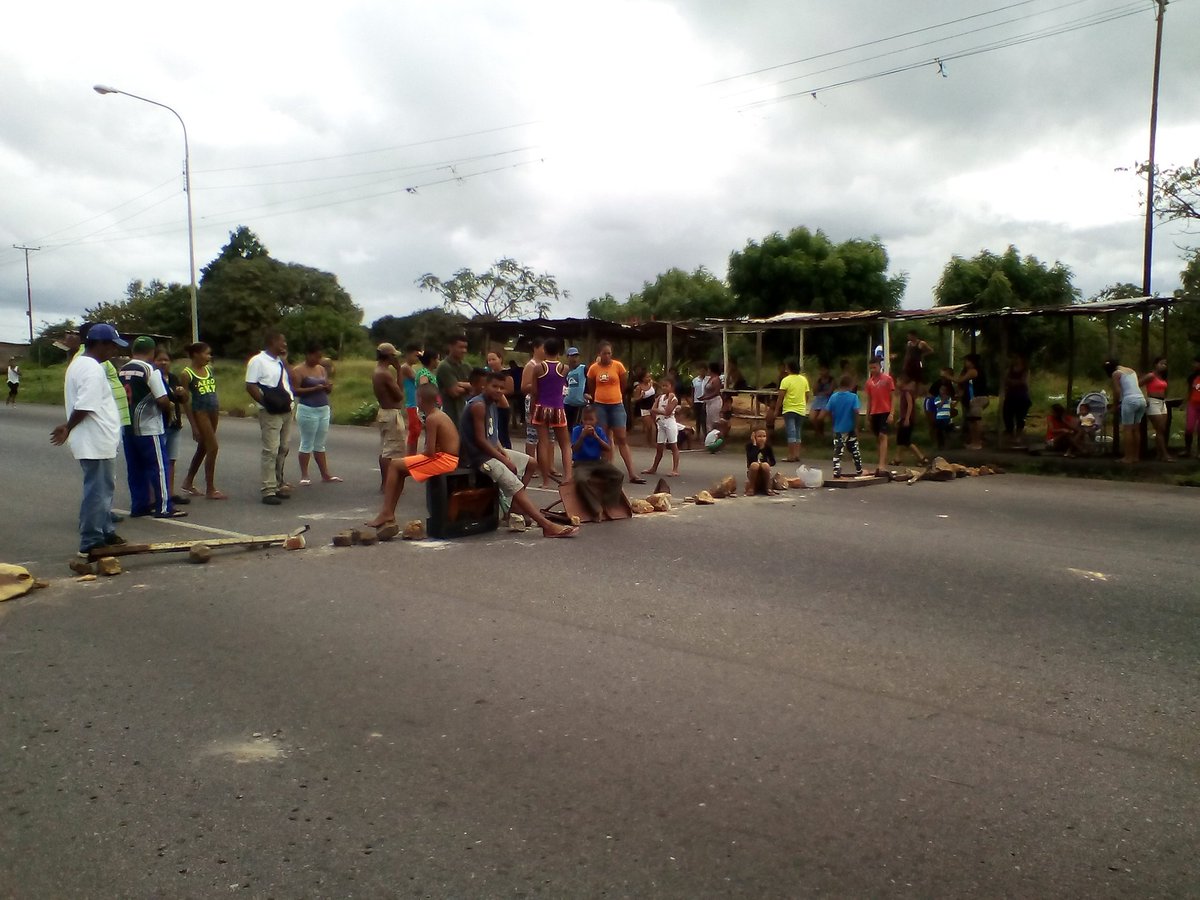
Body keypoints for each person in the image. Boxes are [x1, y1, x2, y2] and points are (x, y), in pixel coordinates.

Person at [460, 371, 578, 538]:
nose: (499, 390)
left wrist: (502, 451)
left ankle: (513, 509)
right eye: (494, 386)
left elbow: (492, 435)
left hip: (491, 451)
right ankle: (547, 526)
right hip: (479, 457)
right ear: (484, 386)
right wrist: (503, 459)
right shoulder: (478, 405)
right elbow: (480, 440)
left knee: (531, 463)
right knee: (515, 484)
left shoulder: (492, 403)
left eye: (502, 388)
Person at [51, 323, 128, 558]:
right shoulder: (92, 368)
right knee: (98, 490)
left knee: (104, 488)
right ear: (101, 344)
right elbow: (85, 405)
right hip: (95, 440)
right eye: (112, 346)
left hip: (97, 439)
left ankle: (105, 531)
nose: (114, 351)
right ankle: (91, 540)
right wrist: (68, 427)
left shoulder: (81, 364)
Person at [365, 384, 460, 529]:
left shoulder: (432, 418)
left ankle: (386, 512)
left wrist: (414, 459)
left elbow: (430, 451)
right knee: (400, 470)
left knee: (395, 465)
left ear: (420, 399)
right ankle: (388, 512)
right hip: (447, 458)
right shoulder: (439, 414)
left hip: (445, 460)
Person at [119, 336, 184, 519]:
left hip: (128, 426)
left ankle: (139, 505)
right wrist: (168, 410)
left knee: (135, 469)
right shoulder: (149, 369)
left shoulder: (122, 370)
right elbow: (162, 398)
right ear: (152, 352)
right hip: (148, 426)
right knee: (158, 468)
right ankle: (164, 507)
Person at [245, 329, 295, 505]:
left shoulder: (279, 362)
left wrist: (285, 360)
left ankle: (278, 482)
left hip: (286, 409)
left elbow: (289, 381)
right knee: (270, 450)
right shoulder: (258, 361)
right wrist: (265, 403)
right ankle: (268, 489)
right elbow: (250, 385)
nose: (285, 345)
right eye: (282, 342)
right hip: (271, 411)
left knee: (283, 448)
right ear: (273, 342)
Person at [586, 341, 644, 483]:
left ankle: (632, 473)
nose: (607, 356)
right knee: (605, 439)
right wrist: (596, 398)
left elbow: (623, 384)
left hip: (616, 405)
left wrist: (616, 395)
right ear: (599, 354)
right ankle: (608, 471)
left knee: (622, 438)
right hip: (600, 406)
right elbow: (591, 386)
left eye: (609, 353)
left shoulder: (618, 366)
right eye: (604, 353)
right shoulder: (593, 369)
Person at [179, 341, 226, 500]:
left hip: (213, 411)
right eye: (206, 353)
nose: (209, 357)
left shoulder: (209, 370)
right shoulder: (187, 374)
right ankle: (210, 488)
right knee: (213, 447)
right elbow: (185, 400)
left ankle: (188, 482)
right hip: (200, 412)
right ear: (196, 355)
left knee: (203, 448)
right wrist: (194, 426)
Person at [292, 342, 340, 485]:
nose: (318, 360)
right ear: (308, 354)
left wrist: (327, 387)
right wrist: (314, 388)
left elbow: (326, 389)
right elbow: (295, 391)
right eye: (316, 356)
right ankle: (305, 475)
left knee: (320, 444)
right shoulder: (298, 370)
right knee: (307, 442)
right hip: (308, 408)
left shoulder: (321, 369)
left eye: (320, 357)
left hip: (323, 407)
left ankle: (325, 474)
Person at [570, 405, 626, 522]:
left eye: (591, 419)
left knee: (618, 475)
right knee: (580, 480)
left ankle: (608, 504)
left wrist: (596, 437)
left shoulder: (599, 431)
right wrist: (582, 436)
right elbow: (574, 449)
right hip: (581, 463)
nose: (588, 422)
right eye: (586, 419)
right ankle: (596, 508)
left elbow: (607, 448)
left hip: (597, 461)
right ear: (582, 420)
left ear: (596, 420)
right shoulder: (577, 430)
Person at [530, 337, 573, 487]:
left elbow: (534, 391)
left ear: (545, 350)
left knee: (542, 443)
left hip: (541, 407)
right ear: (559, 351)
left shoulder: (538, 368)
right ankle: (568, 477)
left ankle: (546, 481)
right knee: (565, 444)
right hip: (558, 408)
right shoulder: (564, 368)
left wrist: (532, 408)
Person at [154, 347, 189, 507]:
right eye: (160, 359)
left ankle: (170, 491)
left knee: (171, 460)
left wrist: (182, 393)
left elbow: (184, 400)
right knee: (158, 461)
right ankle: (156, 495)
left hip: (174, 423)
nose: (163, 363)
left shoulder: (173, 378)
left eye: (166, 360)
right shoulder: (154, 378)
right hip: (160, 423)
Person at [372, 342, 406, 489]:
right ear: (389, 357)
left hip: (384, 411)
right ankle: (388, 483)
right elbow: (399, 395)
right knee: (391, 451)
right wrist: (399, 371)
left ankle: (385, 482)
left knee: (386, 449)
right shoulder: (385, 373)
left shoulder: (377, 371)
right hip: (391, 413)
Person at [1104, 359, 1146, 465]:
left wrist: (1115, 405)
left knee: (1127, 429)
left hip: (1129, 400)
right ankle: (1136, 456)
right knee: (1136, 430)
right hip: (1141, 399)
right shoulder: (1131, 370)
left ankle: (1128, 457)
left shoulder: (1115, 374)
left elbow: (1117, 391)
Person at [774, 358, 811, 462]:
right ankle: (797, 454)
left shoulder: (786, 380)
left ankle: (791, 454)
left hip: (789, 408)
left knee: (791, 431)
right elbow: (807, 394)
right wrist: (803, 404)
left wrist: (776, 410)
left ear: (788, 368)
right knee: (797, 431)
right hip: (800, 409)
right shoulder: (804, 379)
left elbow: (780, 396)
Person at [827, 375, 864, 479]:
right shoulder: (853, 397)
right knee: (854, 449)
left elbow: (828, 411)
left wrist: (832, 422)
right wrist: (857, 426)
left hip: (838, 427)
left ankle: (836, 470)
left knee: (838, 450)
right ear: (851, 385)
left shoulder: (833, 397)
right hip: (850, 427)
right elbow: (856, 412)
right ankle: (859, 469)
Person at [642, 376, 680, 476]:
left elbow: (668, 412)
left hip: (670, 422)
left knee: (673, 446)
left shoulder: (674, 399)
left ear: (672, 387)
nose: (664, 388)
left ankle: (675, 469)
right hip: (661, 423)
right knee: (659, 447)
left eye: (666, 386)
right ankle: (654, 468)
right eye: (663, 386)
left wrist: (659, 411)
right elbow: (652, 409)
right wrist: (659, 412)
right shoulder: (660, 397)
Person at [864, 358, 895, 475]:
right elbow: (869, 400)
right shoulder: (869, 382)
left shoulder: (887, 379)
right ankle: (881, 462)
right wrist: (867, 417)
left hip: (885, 411)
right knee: (878, 438)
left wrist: (892, 413)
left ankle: (882, 465)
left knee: (883, 435)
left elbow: (892, 397)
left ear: (879, 366)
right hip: (874, 412)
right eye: (871, 368)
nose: (873, 370)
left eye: (875, 367)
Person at [890, 373, 928, 466]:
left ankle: (922, 458)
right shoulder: (903, 392)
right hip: (904, 418)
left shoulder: (907, 392)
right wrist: (901, 418)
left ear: (903, 382)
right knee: (900, 439)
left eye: (898, 381)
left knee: (906, 441)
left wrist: (907, 418)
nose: (897, 383)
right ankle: (897, 459)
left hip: (908, 419)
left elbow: (910, 405)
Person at [1140, 357, 1173, 462]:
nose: (1163, 366)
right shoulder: (1151, 375)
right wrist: (1144, 397)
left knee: (1162, 429)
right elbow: (1138, 384)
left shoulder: (1162, 377)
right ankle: (1165, 454)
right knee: (1159, 429)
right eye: (1161, 363)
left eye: (1165, 364)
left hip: (1162, 402)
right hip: (1152, 401)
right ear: (1155, 364)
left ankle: (1159, 453)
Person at [437, 335, 473, 426]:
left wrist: (461, 384)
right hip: (450, 415)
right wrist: (470, 387)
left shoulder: (466, 366)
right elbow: (454, 392)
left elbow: (479, 387)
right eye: (460, 347)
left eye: (465, 347)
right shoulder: (444, 366)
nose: (464, 350)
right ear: (450, 347)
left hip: (466, 414)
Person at [956, 353, 989, 450]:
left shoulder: (973, 371)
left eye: (967, 361)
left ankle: (977, 443)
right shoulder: (970, 371)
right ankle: (974, 442)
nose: (965, 363)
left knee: (976, 420)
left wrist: (948, 376)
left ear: (972, 362)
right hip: (974, 399)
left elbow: (960, 380)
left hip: (979, 398)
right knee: (971, 421)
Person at [1002, 354, 1032, 450]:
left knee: (1020, 417)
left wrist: (1012, 382)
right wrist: (1013, 382)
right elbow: (1005, 380)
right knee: (1007, 415)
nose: (1016, 359)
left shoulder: (1025, 370)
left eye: (1018, 357)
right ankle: (1010, 435)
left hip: (1021, 395)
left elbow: (1024, 382)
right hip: (1010, 395)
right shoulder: (1009, 369)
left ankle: (1018, 436)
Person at [400, 343, 423, 454]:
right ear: (408, 354)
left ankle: (412, 455)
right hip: (411, 403)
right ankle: (410, 455)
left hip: (414, 402)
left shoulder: (409, 368)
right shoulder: (405, 368)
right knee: (414, 430)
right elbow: (419, 380)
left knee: (416, 430)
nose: (417, 359)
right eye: (415, 356)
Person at [745, 429, 778, 496]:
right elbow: (751, 460)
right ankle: (752, 488)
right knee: (755, 465)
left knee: (765, 465)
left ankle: (768, 487)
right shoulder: (749, 446)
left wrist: (766, 464)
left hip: (764, 470)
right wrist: (754, 444)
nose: (762, 438)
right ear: (754, 437)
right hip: (753, 470)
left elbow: (773, 461)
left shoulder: (768, 447)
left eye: (764, 436)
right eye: (759, 436)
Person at [564, 347, 588, 430]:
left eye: (576, 356)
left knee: (577, 427)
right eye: (572, 356)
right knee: (567, 427)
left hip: (580, 404)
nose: (575, 358)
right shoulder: (566, 371)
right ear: (568, 357)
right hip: (567, 403)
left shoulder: (584, 368)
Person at [808, 363, 834, 440]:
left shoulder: (831, 380)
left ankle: (820, 433)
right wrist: (818, 383)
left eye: (824, 370)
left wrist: (821, 392)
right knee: (812, 418)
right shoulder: (818, 380)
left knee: (820, 418)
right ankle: (818, 433)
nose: (822, 372)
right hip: (818, 400)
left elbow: (830, 392)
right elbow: (814, 392)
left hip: (827, 400)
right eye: (821, 370)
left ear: (828, 371)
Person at [700, 362, 724, 440]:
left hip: (715, 401)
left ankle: (719, 437)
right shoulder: (710, 378)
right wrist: (704, 397)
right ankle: (710, 438)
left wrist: (706, 397)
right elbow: (707, 391)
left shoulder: (717, 379)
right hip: (708, 402)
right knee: (709, 421)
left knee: (715, 421)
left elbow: (716, 392)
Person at [1184, 356, 1200, 459]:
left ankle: (1199, 452)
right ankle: (1187, 450)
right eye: (1193, 363)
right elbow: (1189, 390)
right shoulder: (1192, 377)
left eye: (1196, 363)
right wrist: (1186, 401)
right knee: (1189, 428)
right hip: (1193, 404)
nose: (1194, 365)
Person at [932, 382, 956, 450]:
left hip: (947, 417)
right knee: (939, 431)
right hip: (940, 417)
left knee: (948, 431)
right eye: (942, 390)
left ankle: (948, 445)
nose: (943, 391)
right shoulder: (937, 398)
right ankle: (940, 445)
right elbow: (938, 406)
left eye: (944, 390)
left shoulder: (949, 398)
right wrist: (943, 400)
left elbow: (951, 407)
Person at [691, 366, 708, 437]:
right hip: (697, 401)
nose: (702, 372)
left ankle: (705, 434)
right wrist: (692, 401)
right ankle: (698, 434)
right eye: (701, 371)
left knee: (704, 419)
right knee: (697, 419)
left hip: (705, 401)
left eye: (703, 371)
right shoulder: (695, 380)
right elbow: (692, 391)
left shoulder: (708, 380)